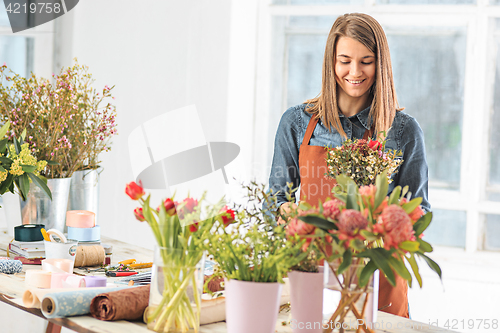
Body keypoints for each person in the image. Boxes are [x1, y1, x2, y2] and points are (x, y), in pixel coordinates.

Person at [268, 13, 429, 318]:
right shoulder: (297, 122)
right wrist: (286, 215)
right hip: (310, 276)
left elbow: (420, 214)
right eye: (345, 60)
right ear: (331, 62)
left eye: (366, 61)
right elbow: (275, 199)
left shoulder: (404, 131)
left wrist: (385, 230)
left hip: (379, 285)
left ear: (379, 64)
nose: (354, 71)